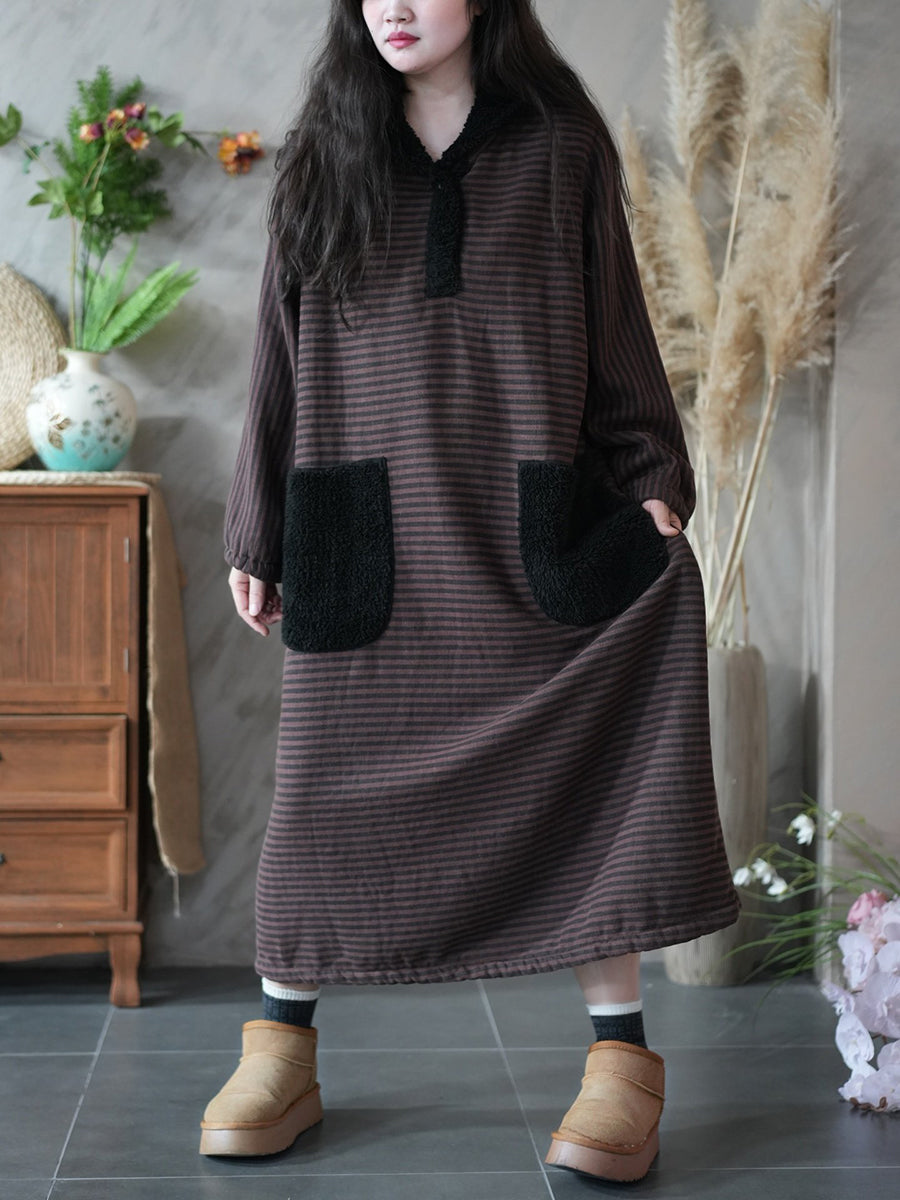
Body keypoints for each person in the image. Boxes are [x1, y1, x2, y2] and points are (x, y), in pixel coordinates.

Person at [204, 0, 740, 1183]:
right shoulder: (324, 148)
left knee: (597, 781)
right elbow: (277, 349)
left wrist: (653, 479)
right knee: (320, 803)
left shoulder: (562, 146)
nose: (393, 5)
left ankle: (621, 1063)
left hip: (526, 531)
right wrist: (259, 528)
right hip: (364, 532)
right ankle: (280, 1048)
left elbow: (616, 325)